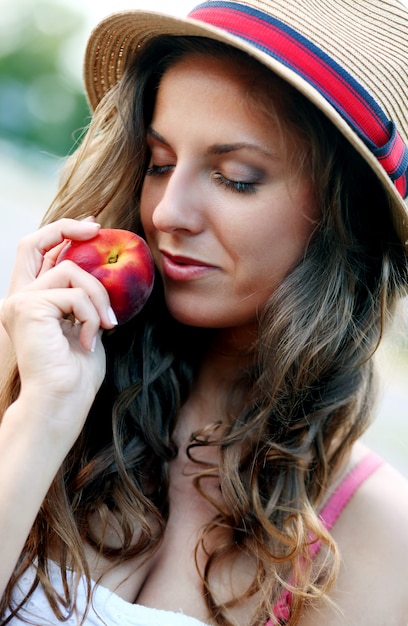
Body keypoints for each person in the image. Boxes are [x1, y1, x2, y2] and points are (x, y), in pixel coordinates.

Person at [0, 0, 408, 624]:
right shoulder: (32, 366)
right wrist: (41, 420)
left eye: (236, 177)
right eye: (160, 163)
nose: (167, 212)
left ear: (342, 218)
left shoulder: (370, 531)